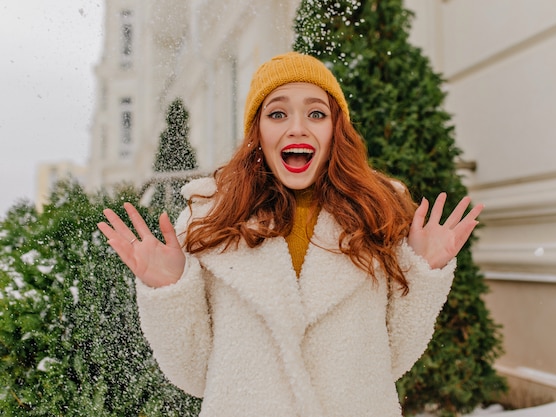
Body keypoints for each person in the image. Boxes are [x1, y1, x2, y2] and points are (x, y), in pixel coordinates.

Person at [97, 52, 483, 417]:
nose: (297, 127)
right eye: (277, 113)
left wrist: (422, 272)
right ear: (257, 132)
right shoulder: (210, 221)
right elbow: (195, 374)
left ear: (336, 130)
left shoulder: (377, 218)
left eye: (316, 113)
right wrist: (170, 289)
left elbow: (392, 358)